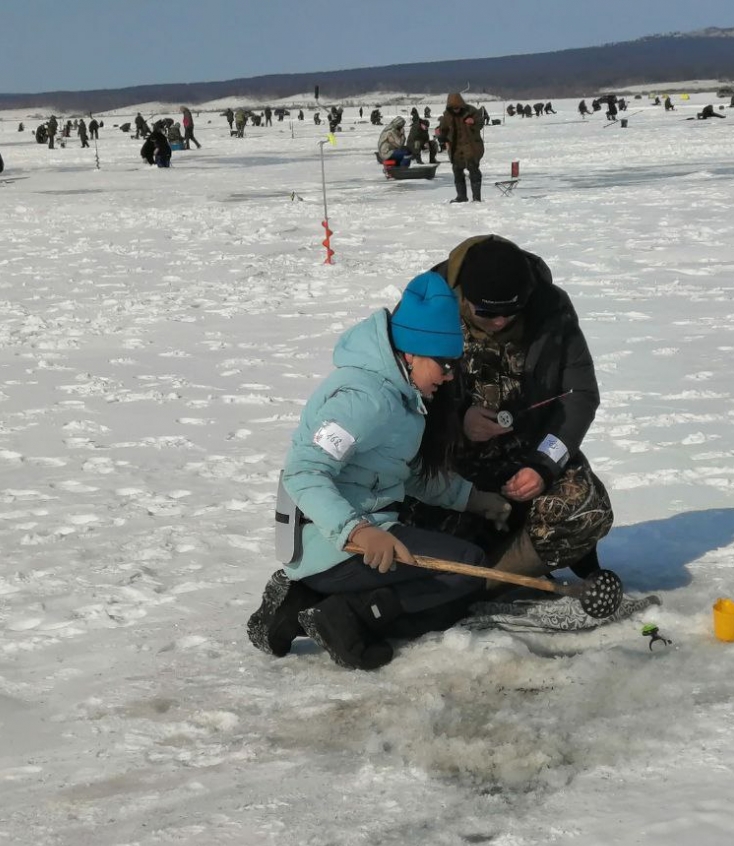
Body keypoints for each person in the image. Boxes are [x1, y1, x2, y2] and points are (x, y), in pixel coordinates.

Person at [245, 272, 512, 669]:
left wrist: (473, 499)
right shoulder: (363, 400)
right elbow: (303, 472)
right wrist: (359, 530)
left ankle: (302, 603)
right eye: (444, 363)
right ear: (411, 353)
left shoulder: (399, 396)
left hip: (348, 536)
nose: (450, 374)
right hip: (334, 543)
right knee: (465, 572)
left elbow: (406, 473)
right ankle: (348, 618)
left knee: (461, 564)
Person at [402, 235, 613, 587]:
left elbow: (580, 395)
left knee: (586, 509)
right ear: (463, 297)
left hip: (526, 456)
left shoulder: (552, 309)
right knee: (399, 517)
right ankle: (467, 579)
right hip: (450, 468)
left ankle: (487, 581)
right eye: (485, 312)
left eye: (509, 312)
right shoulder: (426, 308)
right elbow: (401, 392)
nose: (499, 321)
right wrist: (456, 421)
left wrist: (544, 465)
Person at [440, 91, 485, 203]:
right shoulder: (447, 115)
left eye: (458, 107)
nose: (456, 110)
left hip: (471, 146)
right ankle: (461, 196)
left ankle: (476, 198)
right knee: (457, 171)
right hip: (456, 148)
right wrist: (442, 136)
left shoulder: (471, 111)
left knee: (474, 170)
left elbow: (480, 123)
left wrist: (473, 121)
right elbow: (443, 128)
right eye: (453, 108)